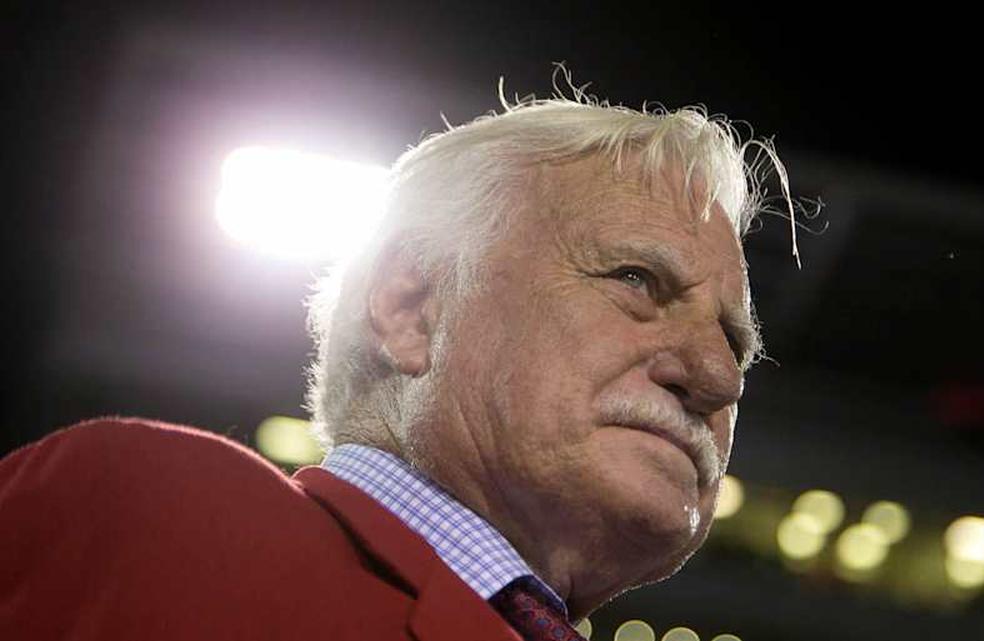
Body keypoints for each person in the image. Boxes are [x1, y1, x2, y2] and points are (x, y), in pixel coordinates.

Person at [0, 84, 796, 640]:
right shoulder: (164, 519)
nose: (717, 374)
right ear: (412, 311)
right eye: (636, 279)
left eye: (734, 339)